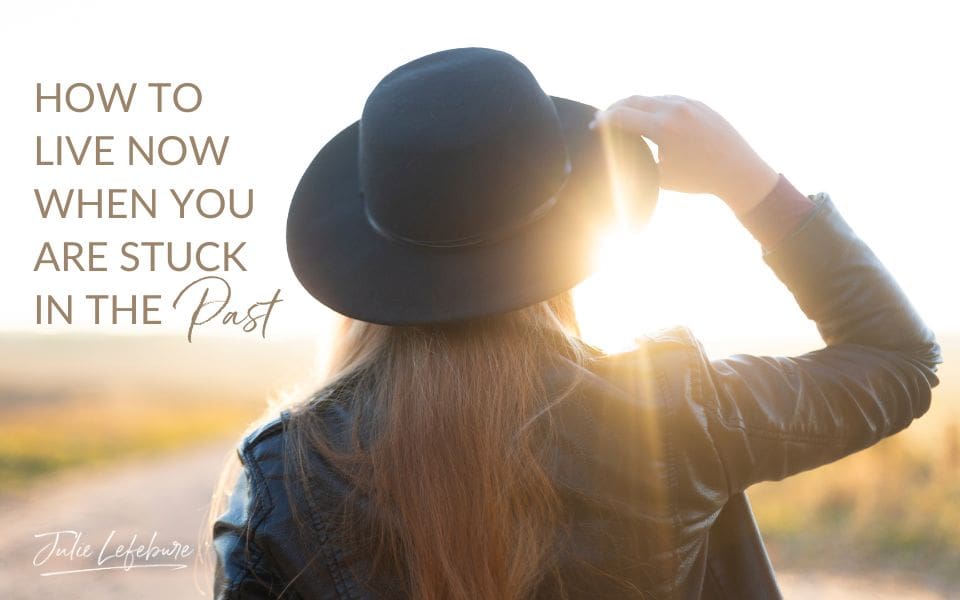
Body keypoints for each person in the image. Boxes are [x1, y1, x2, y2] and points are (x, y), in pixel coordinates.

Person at [210, 48, 942, 599]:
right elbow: (898, 358)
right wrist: (744, 179)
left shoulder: (283, 480)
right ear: (561, 230)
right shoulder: (672, 417)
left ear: (371, 256)